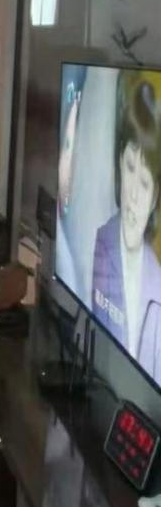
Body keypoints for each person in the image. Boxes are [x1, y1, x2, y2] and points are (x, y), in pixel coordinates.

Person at [92, 77, 161, 378]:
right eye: (130, 167)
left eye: (144, 183)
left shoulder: (158, 284)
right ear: (119, 163)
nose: (133, 195)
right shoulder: (102, 243)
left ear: (155, 197)